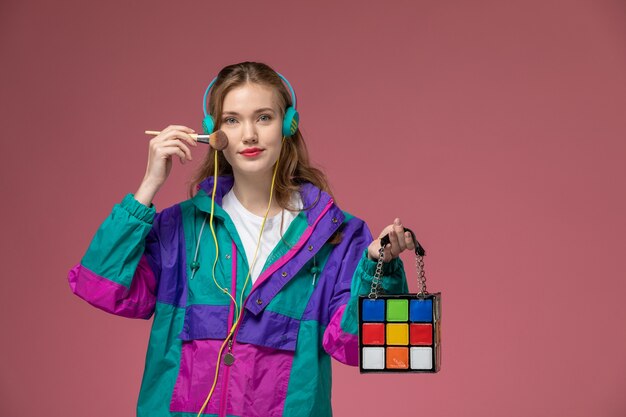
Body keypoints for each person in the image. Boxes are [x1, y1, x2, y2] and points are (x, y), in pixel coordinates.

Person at [68, 61, 415, 417]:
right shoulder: (180, 229)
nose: (249, 134)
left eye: (263, 117)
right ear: (212, 132)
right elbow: (101, 287)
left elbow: (359, 345)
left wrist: (380, 268)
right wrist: (148, 185)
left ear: (288, 125)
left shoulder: (338, 236)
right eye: (232, 120)